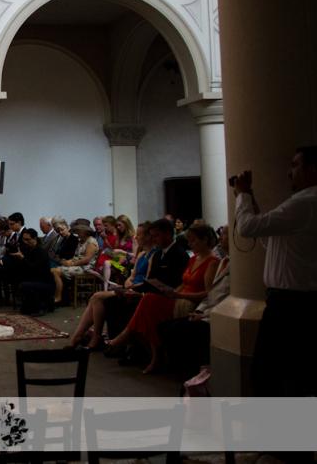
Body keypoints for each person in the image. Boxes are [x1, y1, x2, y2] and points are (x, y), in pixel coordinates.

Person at [232, 145, 317, 396]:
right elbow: (271, 238)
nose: (289, 173)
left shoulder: (305, 203)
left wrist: (243, 195)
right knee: (295, 373)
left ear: (312, 170)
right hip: (296, 300)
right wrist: (253, 203)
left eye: (295, 165)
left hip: (292, 303)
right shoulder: (303, 205)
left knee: (268, 372)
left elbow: (246, 228)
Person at [107, 223, 219, 374]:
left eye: (193, 241)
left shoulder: (211, 262)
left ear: (205, 240)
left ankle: (129, 340)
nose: (190, 244)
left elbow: (208, 293)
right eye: (190, 241)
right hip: (178, 296)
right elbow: (181, 283)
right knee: (144, 304)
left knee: (148, 303)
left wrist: (178, 294)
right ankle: (147, 352)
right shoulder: (193, 260)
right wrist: (171, 292)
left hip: (190, 302)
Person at [158, 226, 231, 379]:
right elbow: (212, 295)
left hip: (213, 312)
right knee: (165, 326)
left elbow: (220, 297)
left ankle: (188, 372)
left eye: (224, 235)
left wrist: (204, 314)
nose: (221, 238)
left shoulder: (217, 262)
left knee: (177, 328)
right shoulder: (224, 261)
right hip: (201, 306)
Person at [67, 221, 153, 350]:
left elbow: (145, 275)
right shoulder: (138, 252)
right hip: (121, 270)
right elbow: (132, 273)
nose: (136, 237)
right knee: (105, 269)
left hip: (128, 275)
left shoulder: (148, 253)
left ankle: (90, 337)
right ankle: (82, 336)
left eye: (139, 234)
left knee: (99, 289)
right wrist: (129, 280)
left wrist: (122, 255)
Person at [51, 223, 99, 304]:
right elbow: (76, 256)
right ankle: (62, 297)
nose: (77, 233)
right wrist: (69, 261)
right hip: (78, 264)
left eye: (79, 231)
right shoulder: (81, 241)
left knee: (55, 271)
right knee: (52, 269)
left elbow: (86, 259)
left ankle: (58, 297)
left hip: (86, 268)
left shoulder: (91, 242)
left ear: (85, 231)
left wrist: (72, 264)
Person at [15, 228, 55, 316]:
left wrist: (22, 258)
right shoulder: (29, 249)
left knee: (25, 285)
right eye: (24, 239)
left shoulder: (41, 252)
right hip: (35, 278)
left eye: (27, 239)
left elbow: (34, 268)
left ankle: (41, 307)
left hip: (44, 281)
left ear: (34, 239)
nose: (25, 242)